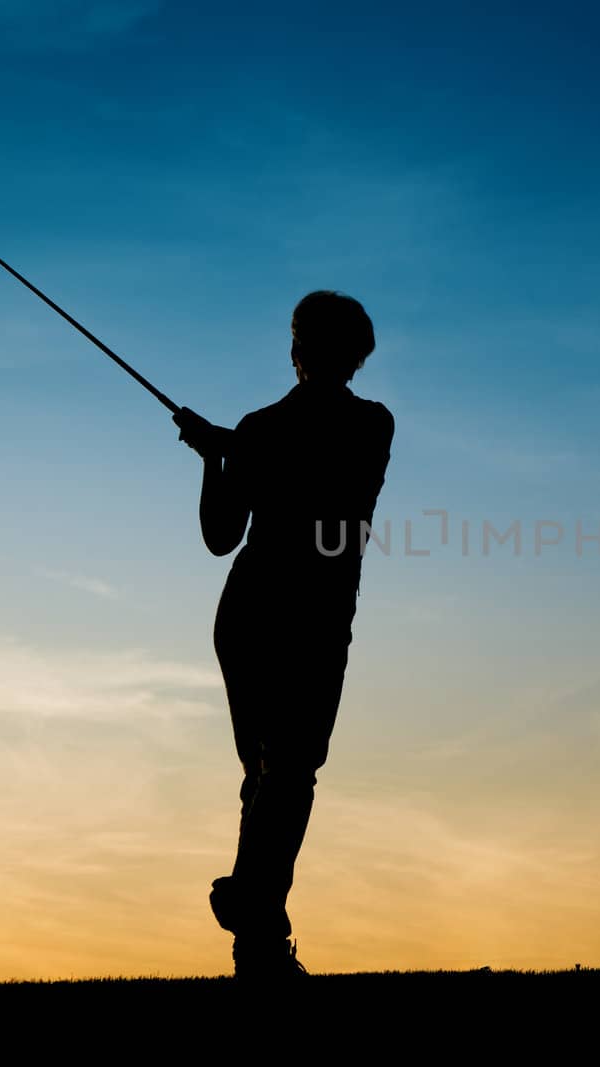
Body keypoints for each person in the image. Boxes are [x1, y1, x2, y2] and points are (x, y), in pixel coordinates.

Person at [173, 291, 394, 980]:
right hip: (278, 609)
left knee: (274, 774)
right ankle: (256, 918)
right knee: (287, 771)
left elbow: (333, 496)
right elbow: (220, 536)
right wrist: (215, 459)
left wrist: (232, 451)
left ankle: (257, 942)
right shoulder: (260, 431)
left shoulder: (359, 426)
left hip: (288, 610)